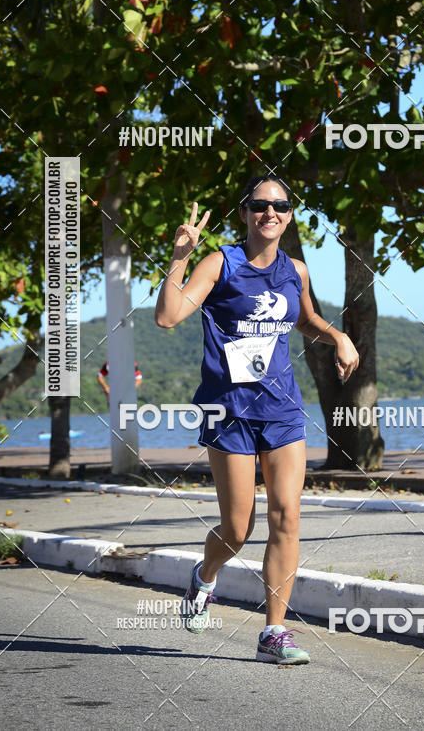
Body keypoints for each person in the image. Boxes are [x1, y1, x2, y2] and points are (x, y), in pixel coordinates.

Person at [154, 175, 359, 665]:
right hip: (229, 412)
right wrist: (180, 256)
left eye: (281, 205)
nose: (271, 213)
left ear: (290, 215)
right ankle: (205, 576)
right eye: (260, 205)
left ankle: (274, 631)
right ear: (244, 213)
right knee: (237, 527)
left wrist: (338, 337)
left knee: (287, 516)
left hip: (283, 409)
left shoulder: (296, 270)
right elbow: (168, 316)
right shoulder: (221, 262)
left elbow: (304, 319)